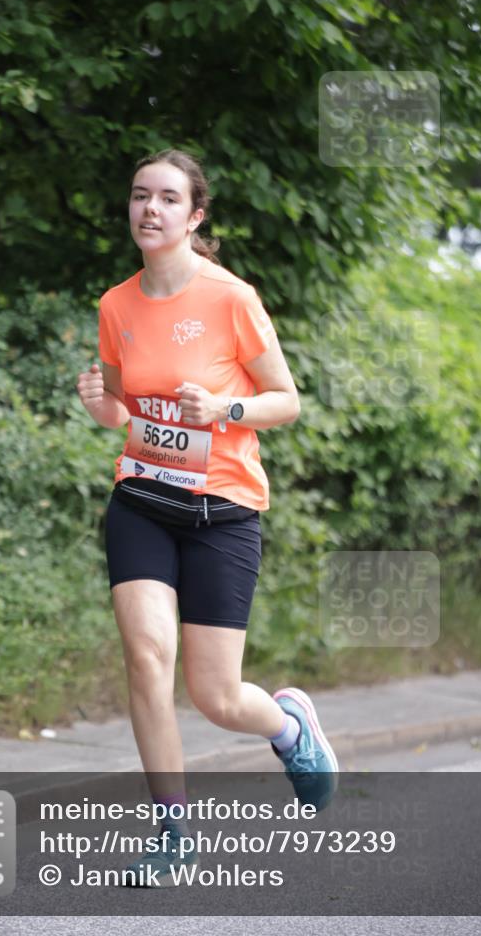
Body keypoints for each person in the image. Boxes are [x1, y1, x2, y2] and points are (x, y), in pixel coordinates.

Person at [76, 148, 338, 886]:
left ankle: (290, 728)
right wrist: (102, 407)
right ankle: (172, 833)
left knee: (215, 697)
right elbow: (127, 414)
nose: (148, 209)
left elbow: (284, 401)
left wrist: (224, 407)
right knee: (146, 660)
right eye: (138, 196)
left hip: (223, 509)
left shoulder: (230, 298)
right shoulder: (115, 304)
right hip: (142, 502)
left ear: (195, 216)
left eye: (166, 198)